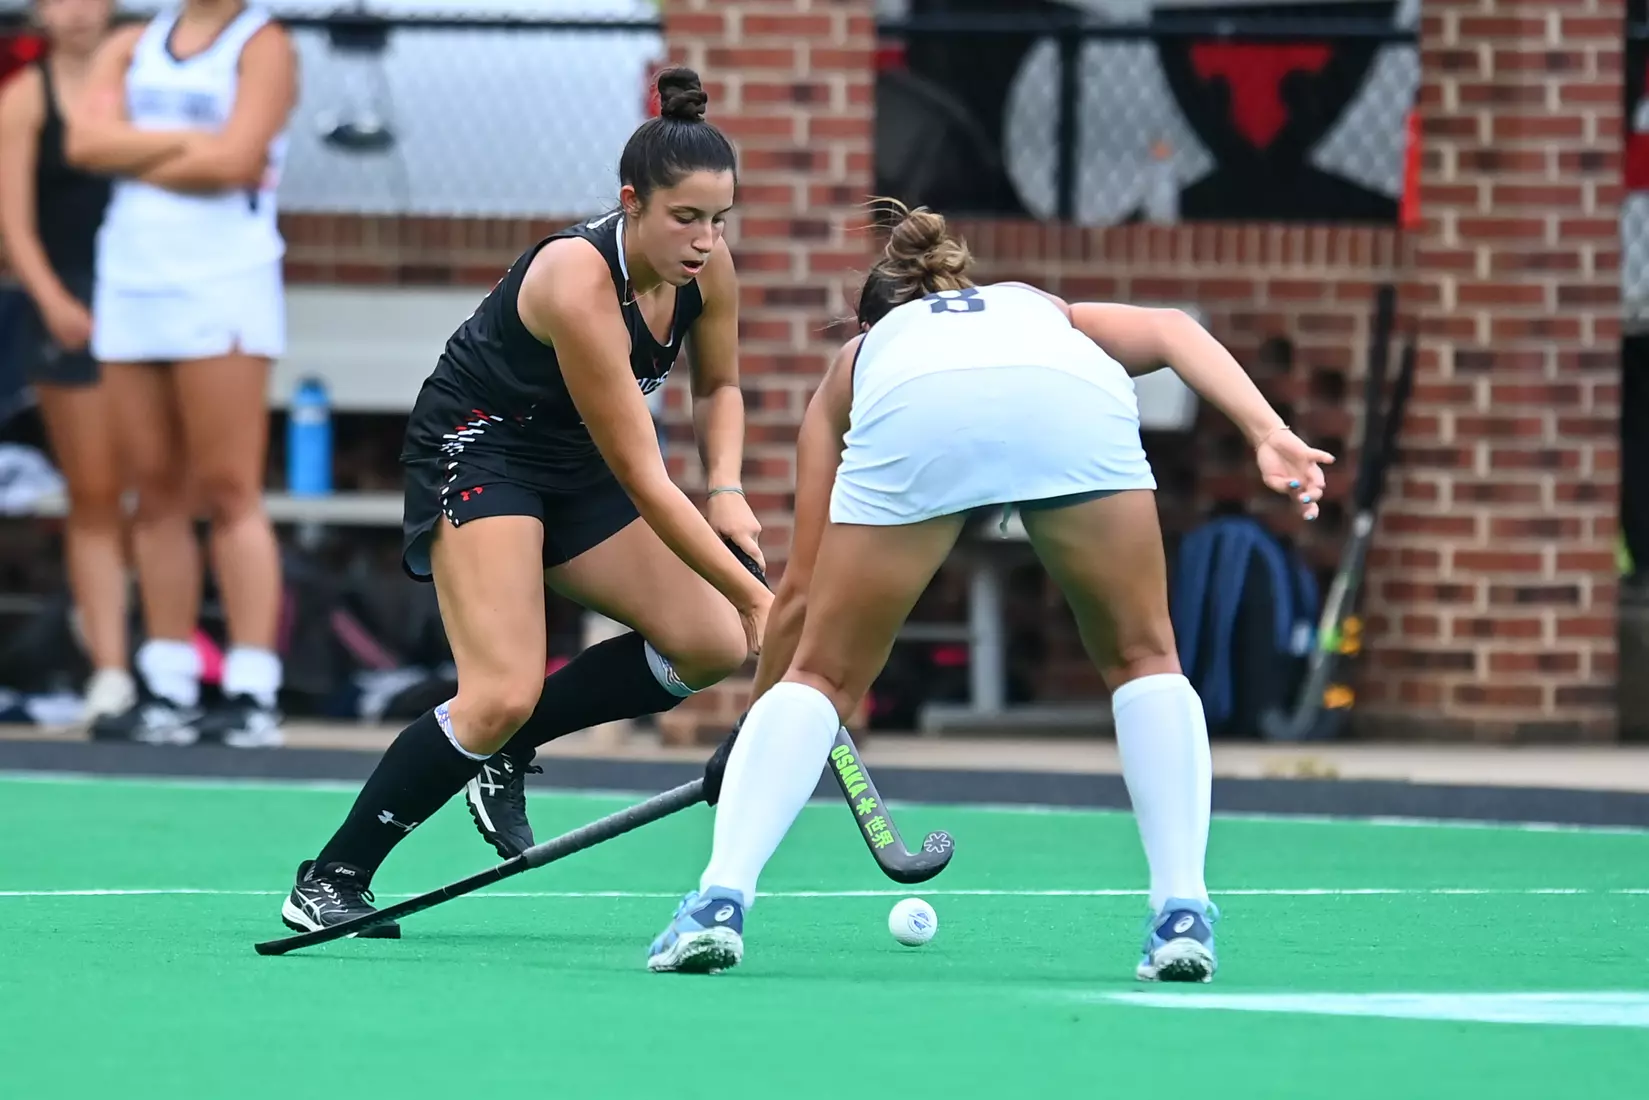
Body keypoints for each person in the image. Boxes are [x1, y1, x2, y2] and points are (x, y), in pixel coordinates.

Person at [647, 202, 1334, 981]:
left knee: (823, 678)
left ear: (869, 324)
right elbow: (1174, 328)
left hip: (920, 417)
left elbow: (799, 596)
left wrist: (756, 735)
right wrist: (1265, 429)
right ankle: (1181, 914)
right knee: (1146, 657)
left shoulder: (859, 362)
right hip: (1069, 401)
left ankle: (719, 903)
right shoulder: (1040, 307)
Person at [275, 67, 770, 938]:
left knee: (709, 642)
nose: (703, 240)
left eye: (718, 220)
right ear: (631, 202)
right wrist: (763, 599)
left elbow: (721, 384)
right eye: (684, 218)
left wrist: (727, 491)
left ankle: (508, 748)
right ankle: (332, 875)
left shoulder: (706, 270)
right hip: (478, 452)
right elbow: (649, 481)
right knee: (496, 690)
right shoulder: (576, 282)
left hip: (571, 462)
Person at [63, 0, 295, 748]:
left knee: (228, 487)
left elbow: (238, 161)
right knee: (153, 488)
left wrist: (138, 144)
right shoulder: (131, 43)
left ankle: (252, 687)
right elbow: (85, 143)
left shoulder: (262, 45)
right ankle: (167, 683)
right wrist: (188, 146)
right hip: (130, 279)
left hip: (223, 281)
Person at [0, 0, 135, 729]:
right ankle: (110, 670)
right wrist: (52, 299)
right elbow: (13, 221)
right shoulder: (27, 97)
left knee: (163, 491)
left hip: (151, 301)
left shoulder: (144, 76)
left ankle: (173, 665)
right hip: (71, 309)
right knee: (95, 495)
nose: (75, 13)